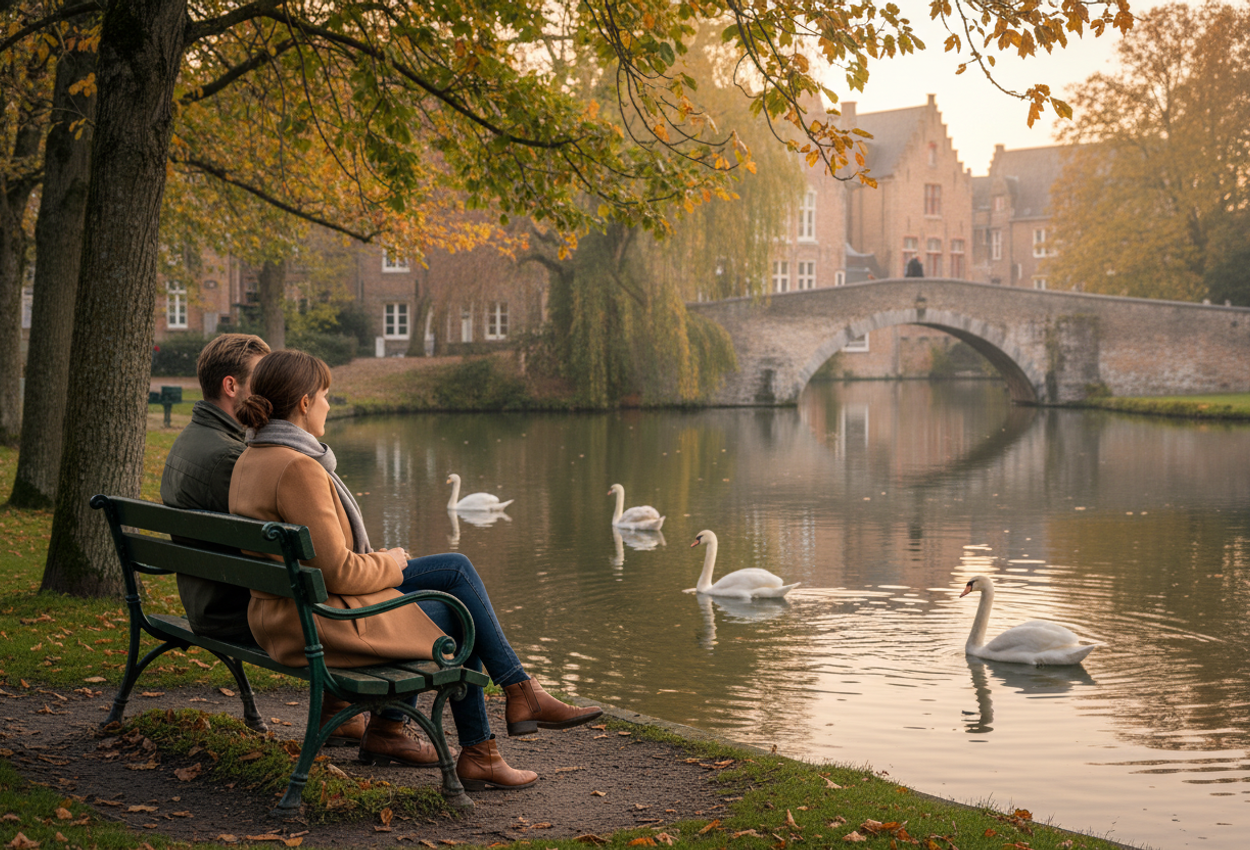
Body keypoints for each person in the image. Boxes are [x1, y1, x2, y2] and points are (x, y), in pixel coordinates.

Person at [230, 349, 602, 790]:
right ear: (305, 402)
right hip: (319, 622)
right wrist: (389, 561)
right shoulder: (297, 467)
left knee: (455, 570)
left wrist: (385, 562)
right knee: (463, 622)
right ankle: (485, 742)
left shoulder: (252, 456)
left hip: (281, 613)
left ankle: (511, 697)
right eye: (327, 395)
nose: (330, 404)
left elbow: (326, 566)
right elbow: (339, 573)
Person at [160, 333, 271, 642]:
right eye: (259, 382)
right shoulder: (229, 458)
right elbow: (274, 549)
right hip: (235, 613)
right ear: (231, 386)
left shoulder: (191, 438)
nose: (267, 392)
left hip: (209, 601)